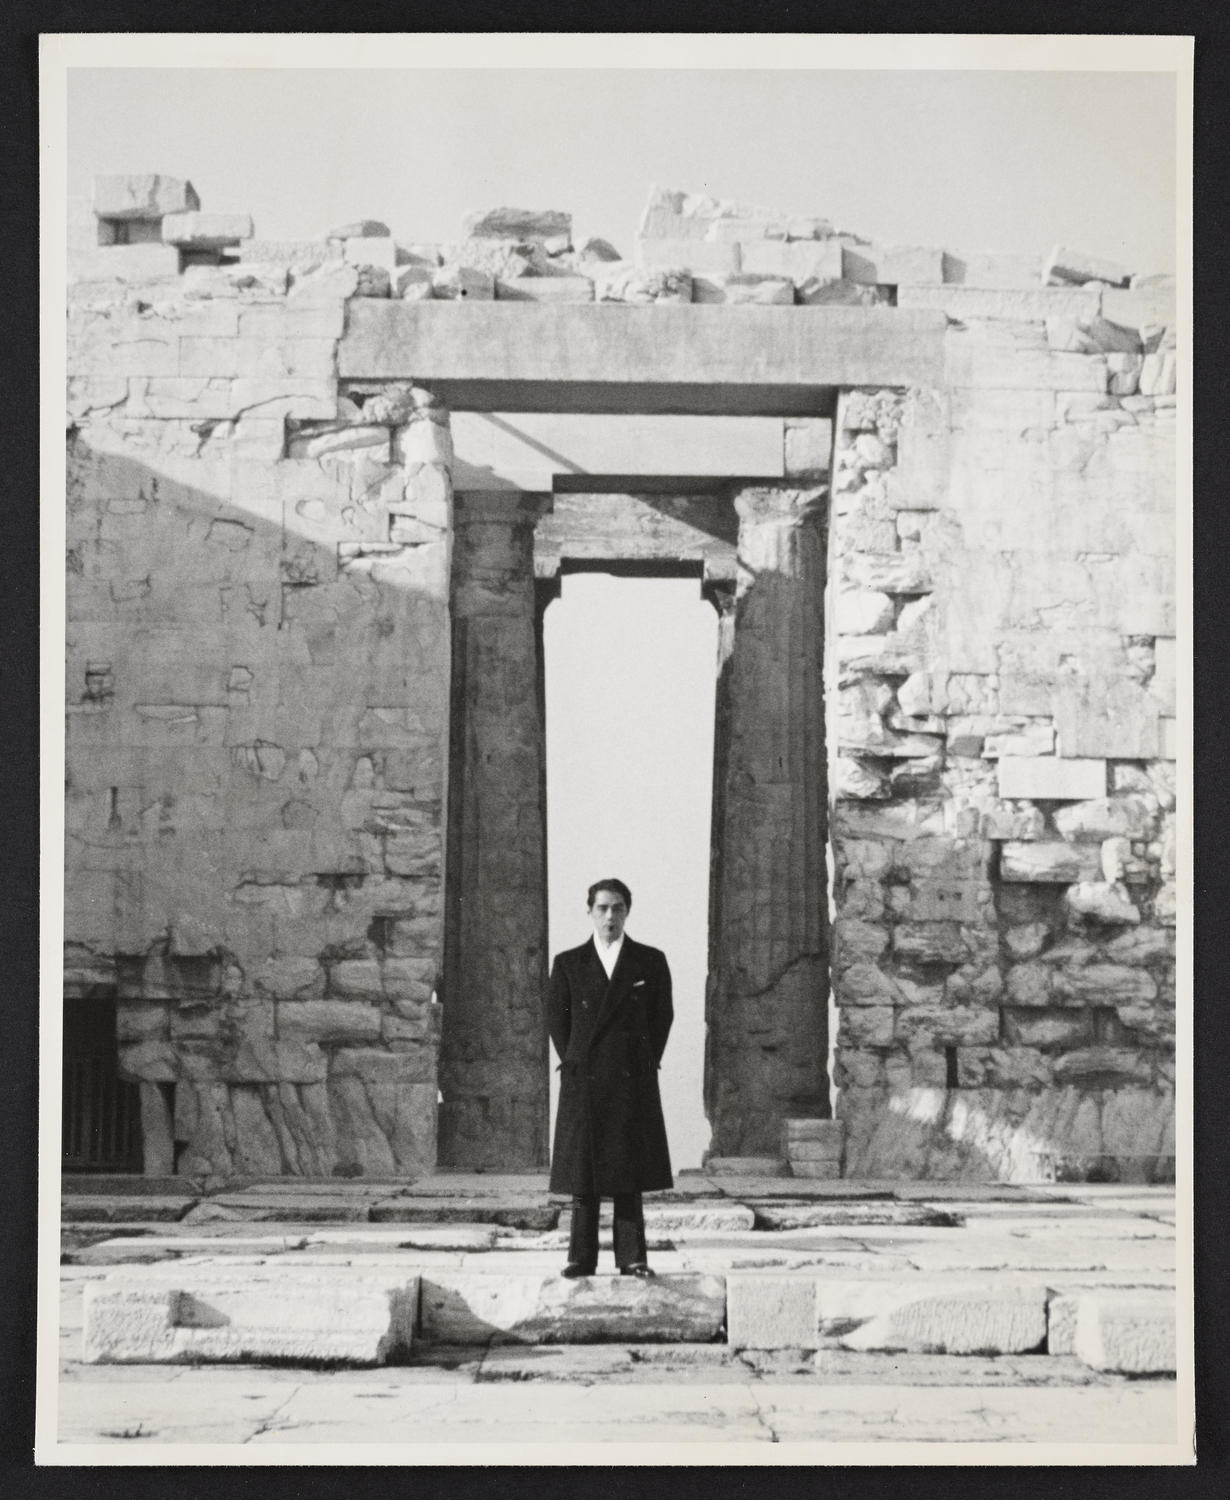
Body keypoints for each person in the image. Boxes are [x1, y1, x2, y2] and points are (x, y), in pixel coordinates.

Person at [546, 878, 674, 1278]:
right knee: (583, 1178)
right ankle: (580, 1258)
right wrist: (576, 1060)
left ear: (627, 912)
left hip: (631, 1078)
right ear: (589, 912)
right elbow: (556, 1020)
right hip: (584, 1079)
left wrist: (643, 1059)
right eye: (602, 908)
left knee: (628, 1174)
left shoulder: (650, 961)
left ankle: (633, 1258)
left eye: (617, 908)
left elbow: (662, 1016)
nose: (609, 916)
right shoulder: (568, 963)